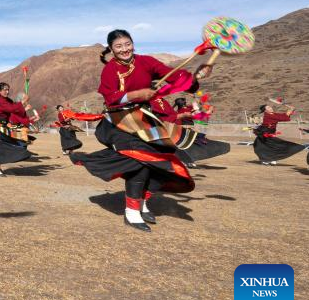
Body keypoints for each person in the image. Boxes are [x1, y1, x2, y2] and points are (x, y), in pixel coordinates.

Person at [70, 29, 212, 232]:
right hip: (119, 122)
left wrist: (196, 76)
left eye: (127, 44)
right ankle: (132, 212)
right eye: (118, 46)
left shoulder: (146, 61)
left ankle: (142, 204)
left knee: (156, 161)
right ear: (111, 49)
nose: (124, 49)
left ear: (133, 43)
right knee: (140, 160)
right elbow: (111, 98)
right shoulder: (110, 69)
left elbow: (172, 75)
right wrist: (136, 94)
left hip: (144, 120)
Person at [172, 97, 229, 167]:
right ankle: (187, 161)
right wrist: (208, 110)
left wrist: (197, 103)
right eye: (186, 102)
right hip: (187, 131)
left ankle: (185, 161)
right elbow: (199, 114)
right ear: (184, 104)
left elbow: (194, 105)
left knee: (184, 146)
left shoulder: (178, 111)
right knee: (192, 145)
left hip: (181, 131)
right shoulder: (186, 110)